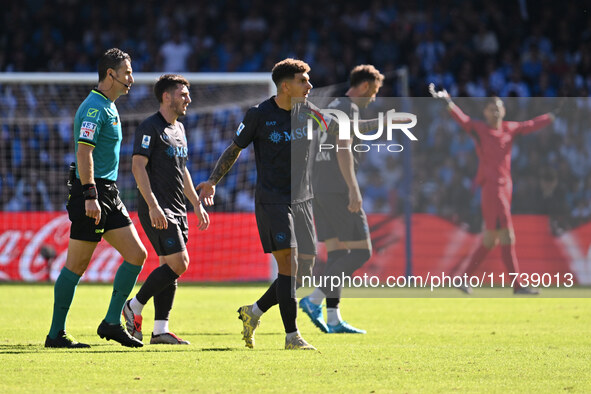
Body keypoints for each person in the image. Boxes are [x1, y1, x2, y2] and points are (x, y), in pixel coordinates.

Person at [196, 58, 318, 350]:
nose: (310, 86)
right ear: (286, 86)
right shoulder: (259, 115)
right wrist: (213, 180)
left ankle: (254, 311)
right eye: (303, 81)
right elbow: (234, 148)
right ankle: (292, 337)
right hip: (272, 200)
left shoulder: (310, 112)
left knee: (305, 268)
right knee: (287, 263)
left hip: (303, 199)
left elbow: (344, 124)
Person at [45, 48, 146, 348]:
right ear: (110, 74)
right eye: (127, 72)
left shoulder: (110, 106)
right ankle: (55, 334)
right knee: (75, 266)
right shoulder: (94, 108)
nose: (131, 78)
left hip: (108, 192)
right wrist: (90, 195)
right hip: (92, 192)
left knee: (137, 255)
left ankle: (112, 322)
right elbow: (83, 152)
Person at [428, 83, 555, 294]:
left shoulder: (510, 128)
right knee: (507, 236)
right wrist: (448, 103)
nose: (495, 111)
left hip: (506, 188)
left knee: (490, 238)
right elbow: (463, 120)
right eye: (491, 108)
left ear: (503, 110)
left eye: (498, 107)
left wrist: (551, 117)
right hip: (493, 189)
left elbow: (531, 124)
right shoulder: (480, 129)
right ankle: (517, 285)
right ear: (485, 112)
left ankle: (464, 279)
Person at [122, 74, 210, 345]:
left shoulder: (179, 130)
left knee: (166, 266)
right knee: (179, 263)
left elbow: (182, 170)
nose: (188, 99)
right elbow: (138, 167)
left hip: (178, 209)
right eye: (183, 94)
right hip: (158, 209)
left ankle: (160, 330)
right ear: (166, 96)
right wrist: (153, 206)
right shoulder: (150, 127)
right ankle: (133, 306)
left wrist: (195, 204)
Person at [300, 65, 384, 334]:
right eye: (374, 91)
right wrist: (353, 188)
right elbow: (343, 147)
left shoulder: (333, 106)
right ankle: (314, 300)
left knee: (338, 254)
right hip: (338, 188)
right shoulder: (349, 108)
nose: (374, 97)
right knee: (361, 252)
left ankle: (334, 318)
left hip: (319, 188)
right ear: (364, 86)